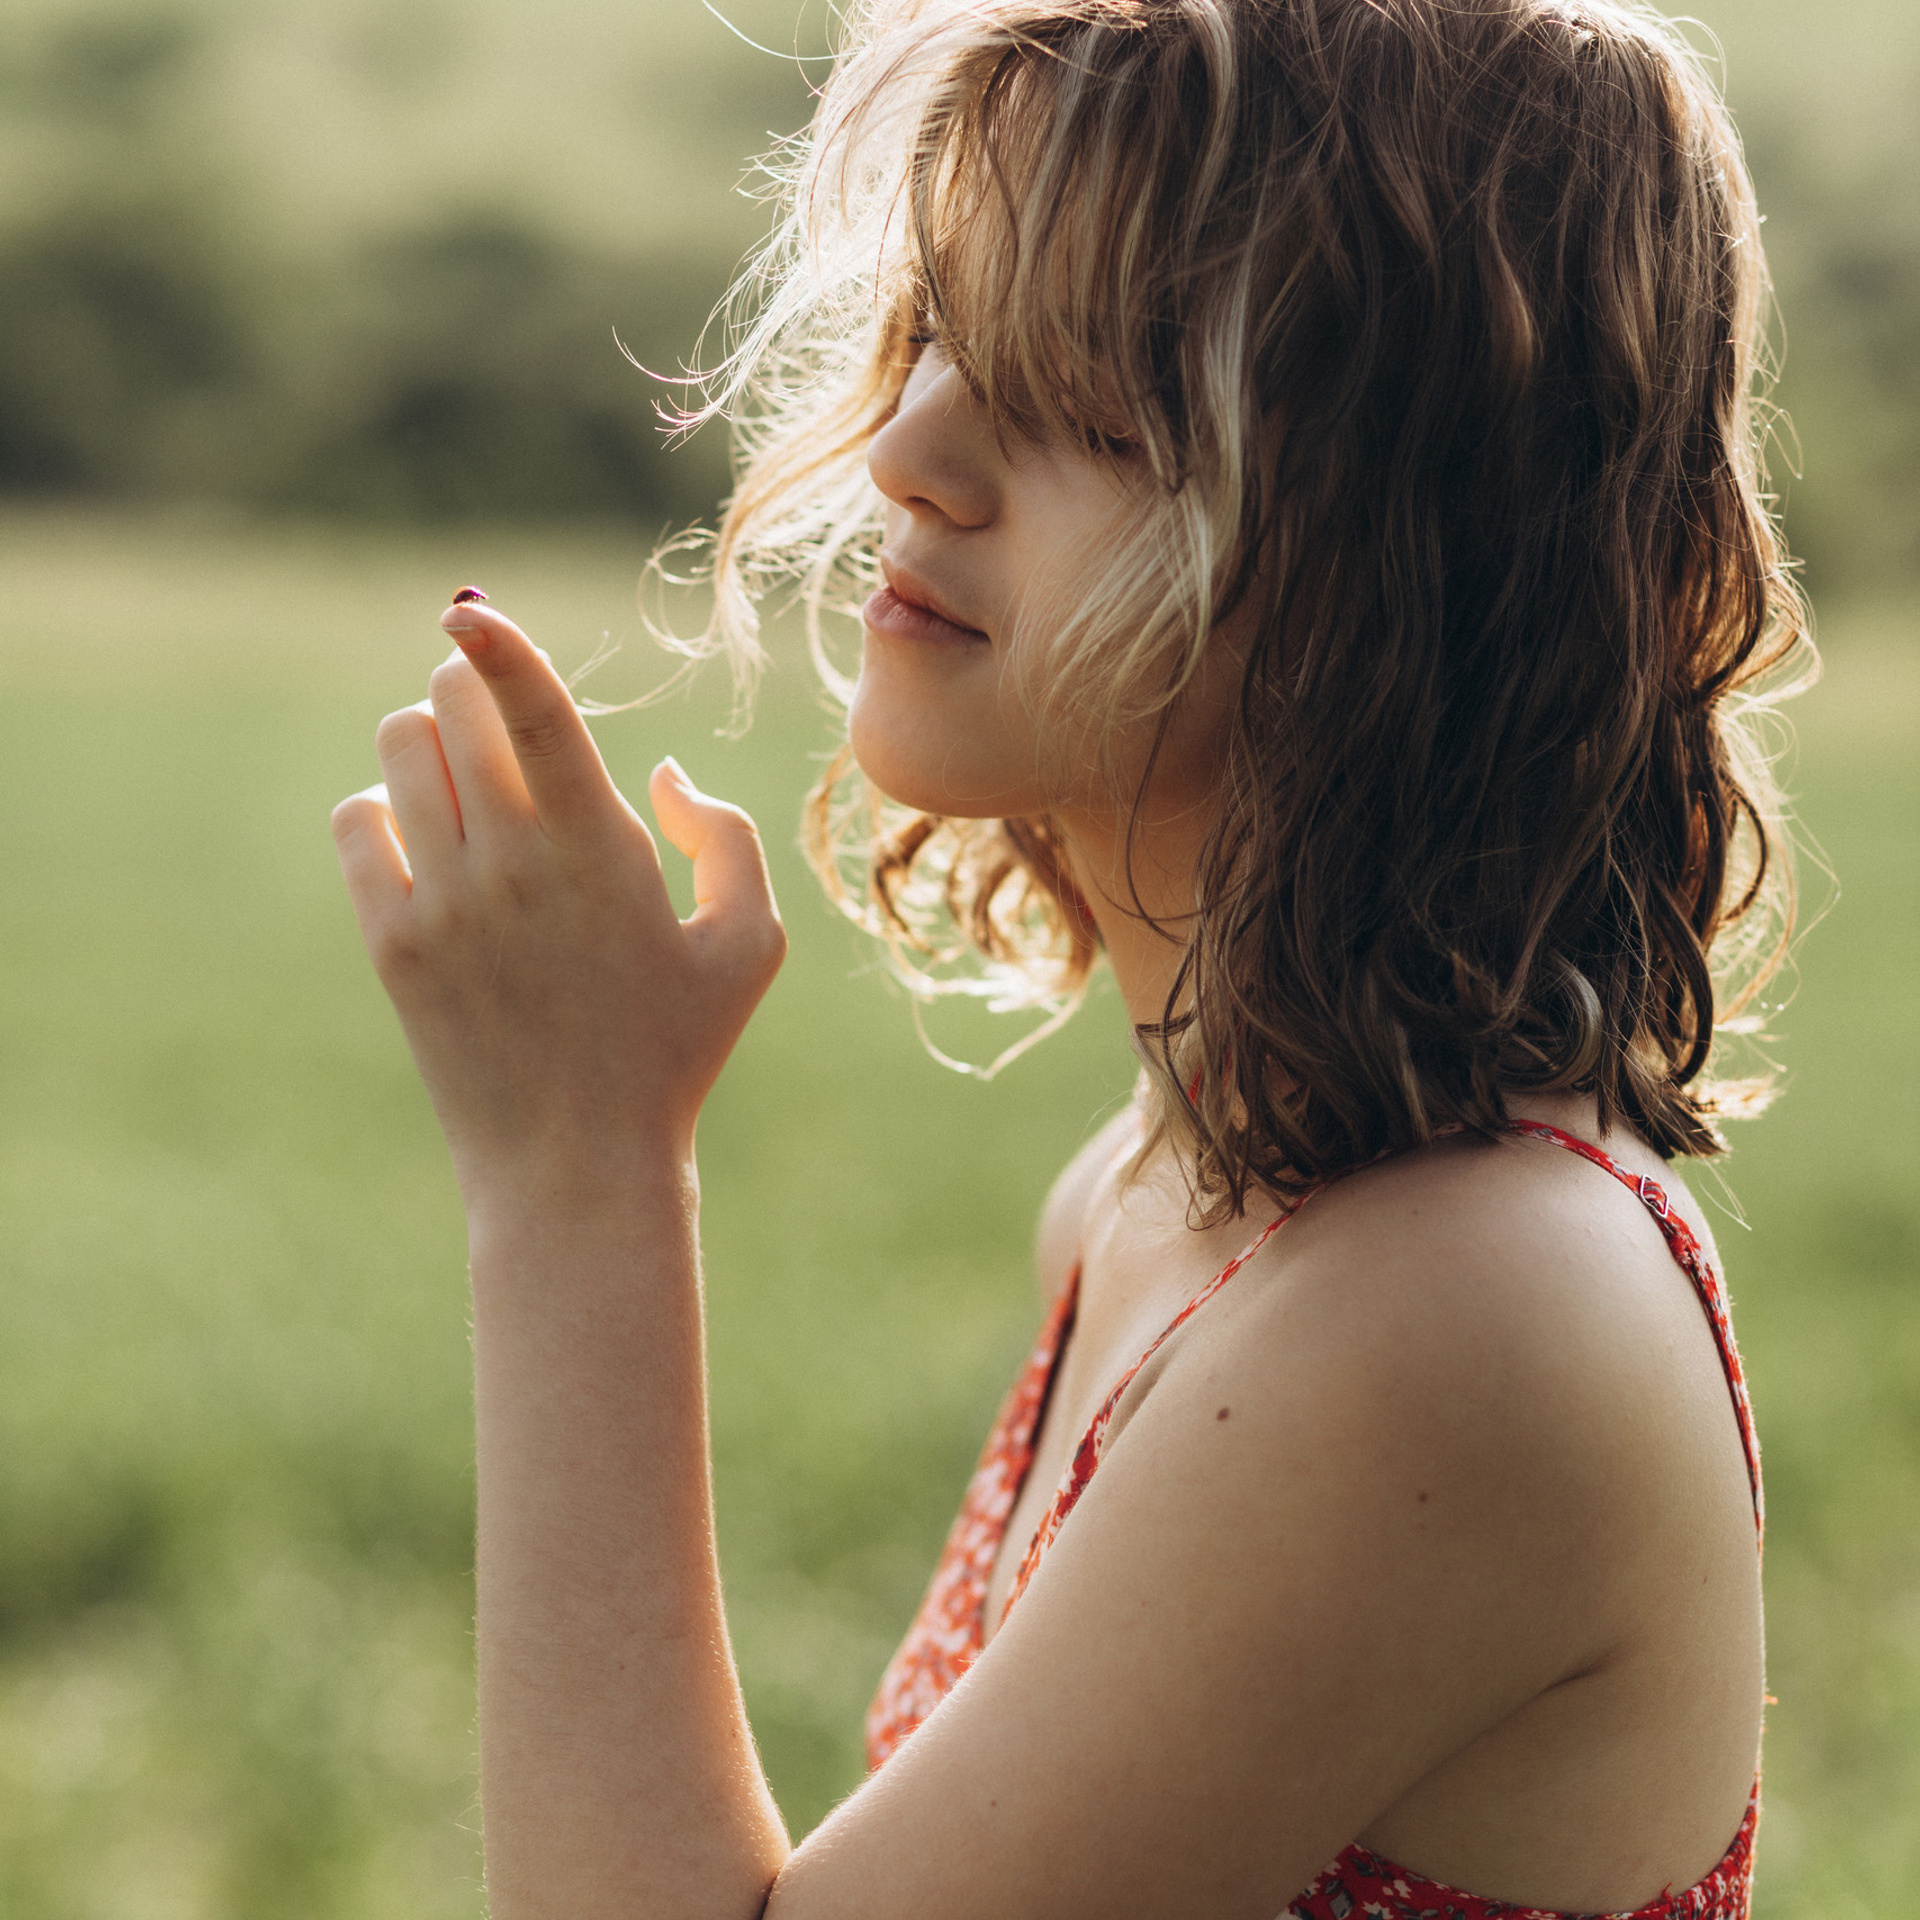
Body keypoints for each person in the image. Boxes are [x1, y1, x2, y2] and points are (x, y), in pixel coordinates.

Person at [330, 0, 1811, 1912]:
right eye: (944, 330)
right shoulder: (1156, 1196)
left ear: (1415, 553)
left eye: (1104, 394)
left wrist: (578, 1173)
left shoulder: (1469, 1311)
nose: (916, 450)